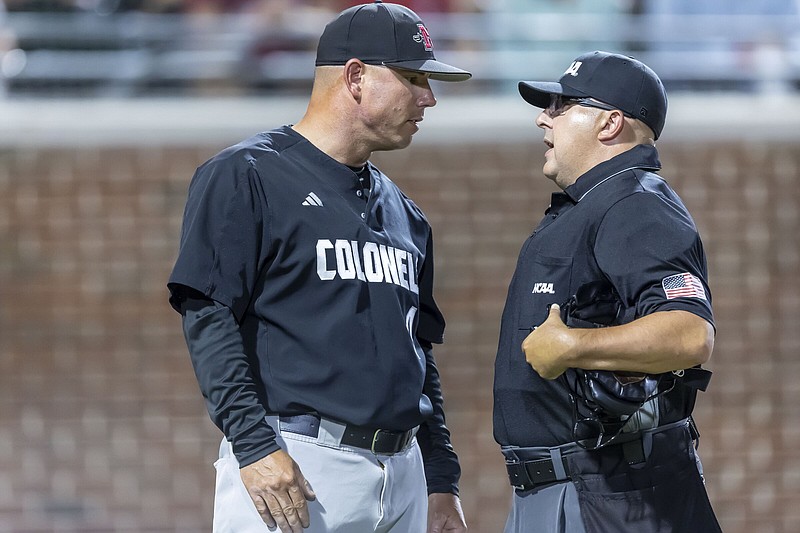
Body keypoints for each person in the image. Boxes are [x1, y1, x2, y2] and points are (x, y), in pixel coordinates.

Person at [167, 2, 471, 532]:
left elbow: (418, 352)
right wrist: (255, 446)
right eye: (413, 77)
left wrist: (440, 478)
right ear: (355, 77)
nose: (429, 97)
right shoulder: (247, 173)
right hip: (300, 463)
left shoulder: (407, 213)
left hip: (404, 471)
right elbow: (207, 316)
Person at [492, 51, 722, 532]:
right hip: (572, 491)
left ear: (610, 122)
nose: (542, 118)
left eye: (559, 105)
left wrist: (574, 345)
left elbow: (688, 333)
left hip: (614, 497)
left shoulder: (634, 203)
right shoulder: (595, 203)